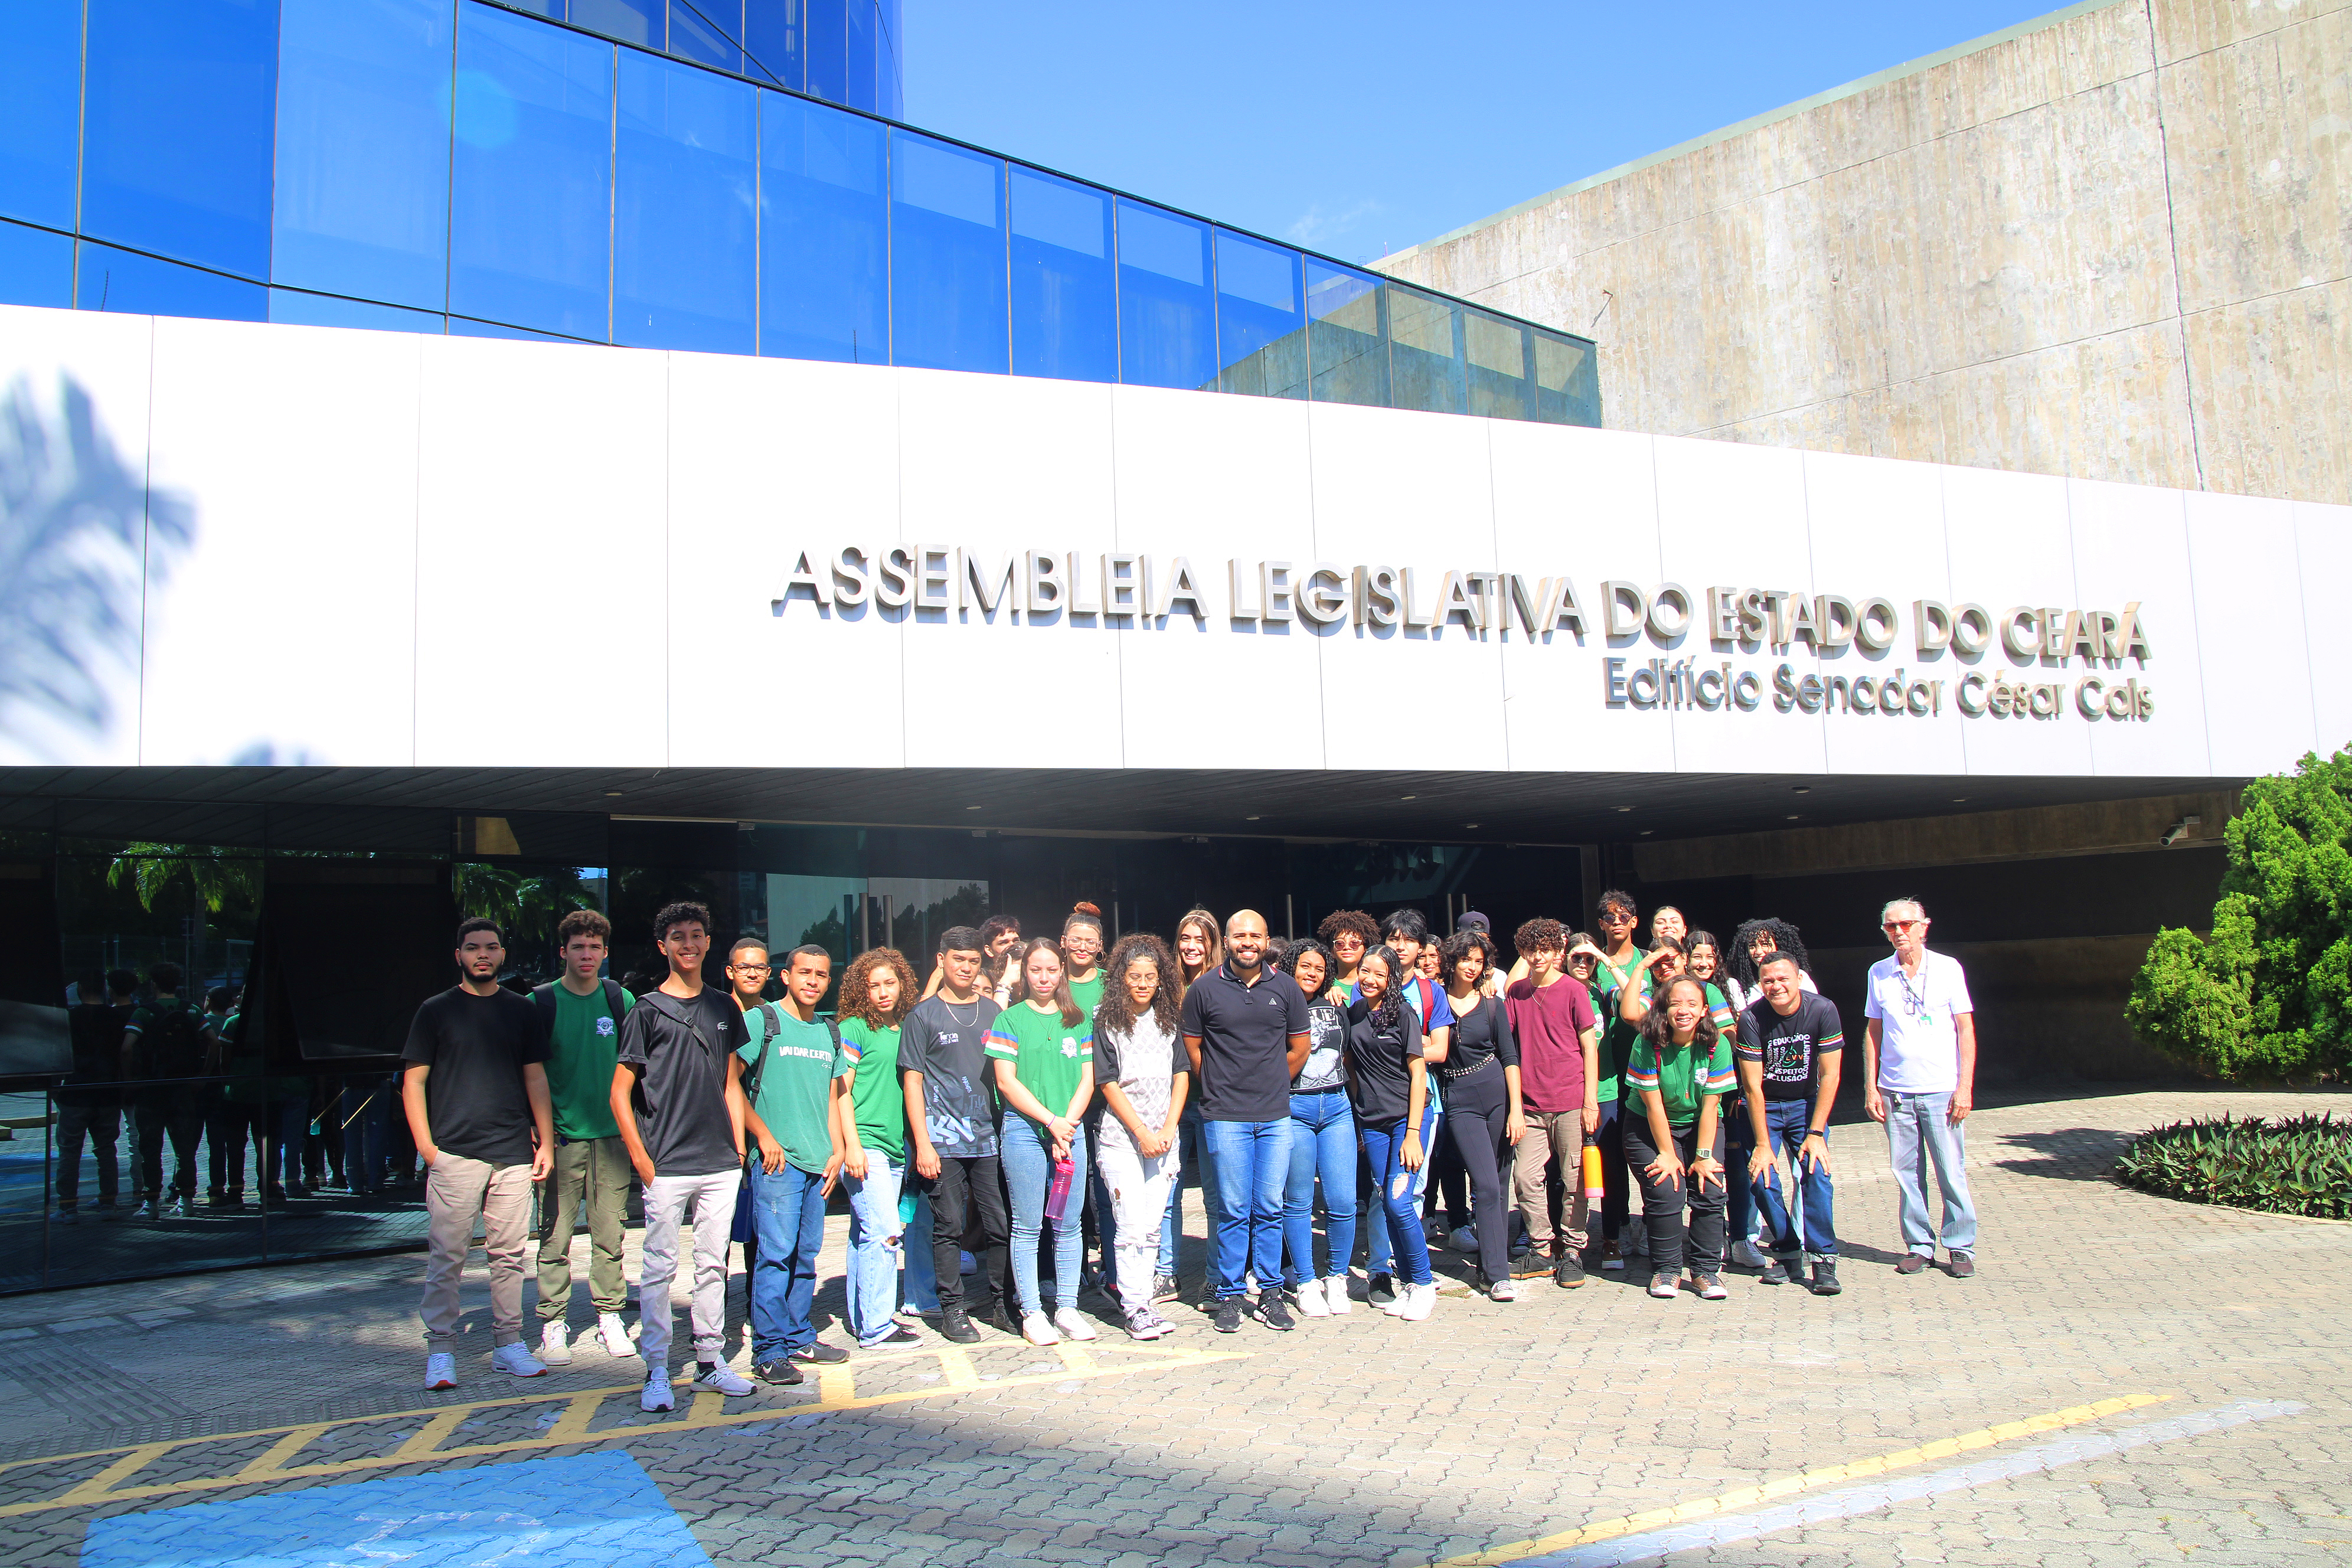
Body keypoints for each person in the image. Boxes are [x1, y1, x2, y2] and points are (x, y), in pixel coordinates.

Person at [612, 901, 756, 1410]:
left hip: (720, 1160)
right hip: (666, 1162)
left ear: (707, 943)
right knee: (658, 1268)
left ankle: (711, 1363)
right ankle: (656, 1369)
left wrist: (738, 1146)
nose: (688, 944)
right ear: (663, 946)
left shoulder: (724, 1006)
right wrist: (641, 1159)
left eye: (697, 935)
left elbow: (732, 1082)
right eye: (678, 937)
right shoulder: (646, 1010)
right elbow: (620, 1092)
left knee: (712, 1265)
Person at [401, 919, 556, 1390]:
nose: (482, 955)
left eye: (490, 948)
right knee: (447, 1256)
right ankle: (441, 1349)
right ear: (459, 956)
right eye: (472, 948)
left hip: (511, 1153)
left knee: (509, 1256)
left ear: (503, 954)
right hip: (455, 1154)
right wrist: (429, 1151)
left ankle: (509, 1344)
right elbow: (414, 1082)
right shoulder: (436, 1011)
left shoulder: (521, 1011)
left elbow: (536, 1078)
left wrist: (546, 1141)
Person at [1180, 910, 1309, 1334]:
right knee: (1234, 1209)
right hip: (1225, 1116)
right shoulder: (1204, 989)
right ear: (1228, 941)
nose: (1247, 942)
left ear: (1266, 939)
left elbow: (1299, 1048)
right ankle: (1231, 1294)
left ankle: (1271, 1292)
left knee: (1270, 1207)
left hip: (1274, 1115)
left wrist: (1271, 1083)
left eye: (1255, 935)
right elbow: (1193, 1048)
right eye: (1240, 935)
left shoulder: (1286, 988)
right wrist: (1220, 1085)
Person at [737, 942, 851, 1378]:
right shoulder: (761, 1021)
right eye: (805, 973)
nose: (813, 982)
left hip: (818, 1164)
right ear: (785, 976)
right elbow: (730, 1083)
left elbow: (832, 1095)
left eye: (821, 975)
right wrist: (762, 1136)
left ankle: (799, 1336)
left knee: (806, 1255)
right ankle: (768, 1350)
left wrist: (838, 1151)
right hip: (776, 1164)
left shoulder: (828, 1032)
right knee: (775, 1255)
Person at [530, 909, 638, 1367]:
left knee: (610, 1234)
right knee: (554, 1236)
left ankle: (609, 1315)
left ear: (606, 952)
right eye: (578, 947)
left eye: (595, 947)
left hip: (612, 1138)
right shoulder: (541, 1002)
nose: (587, 954)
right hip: (561, 1140)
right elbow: (529, 1073)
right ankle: (552, 1322)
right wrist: (540, 1137)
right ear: (563, 952)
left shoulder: (621, 1000)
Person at [900, 926, 1012, 1344]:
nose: (966, 968)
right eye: (958, 960)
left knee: (1000, 1225)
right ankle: (953, 1310)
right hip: (942, 1142)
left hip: (988, 1140)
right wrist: (923, 1143)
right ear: (941, 961)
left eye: (972, 961)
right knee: (947, 1227)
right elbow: (912, 1082)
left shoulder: (993, 1013)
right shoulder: (923, 1015)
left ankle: (1003, 1304)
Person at [989, 938, 1098, 1345]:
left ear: (1062, 972)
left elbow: (1088, 1079)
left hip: (1070, 1132)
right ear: (1025, 973)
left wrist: (1067, 1124)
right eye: (1036, 969)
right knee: (1028, 1224)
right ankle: (1032, 1311)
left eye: (1052, 969)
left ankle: (1067, 1307)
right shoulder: (1010, 1020)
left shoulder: (1079, 1020)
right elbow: (1006, 1081)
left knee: (1069, 1225)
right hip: (1025, 1131)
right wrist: (1050, 1121)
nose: (1045, 977)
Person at [1864, 898, 1979, 1278]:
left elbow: (1965, 1030)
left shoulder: (1948, 969)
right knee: (1906, 1173)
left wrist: (1965, 1088)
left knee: (1950, 1171)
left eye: (1906, 925)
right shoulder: (1879, 973)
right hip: (1896, 1089)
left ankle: (1960, 1247)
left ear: (1924, 926)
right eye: (1891, 926)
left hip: (1942, 1089)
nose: (1899, 932)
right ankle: (1919, 1245)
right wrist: (1871, 1085)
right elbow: (1873, 1032)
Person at [1093, 933, 1187, 1340]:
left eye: (1151, 976)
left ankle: (1145, 1303)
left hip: (1164, 1140)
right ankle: (1133, 1308)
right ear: (1121, 979)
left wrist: (1167, 1128)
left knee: (1151, 1227)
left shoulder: (1169, 1020)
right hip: (1121, 1138)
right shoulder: (1107, 1020)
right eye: (1135, 976)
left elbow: (1181, 1074)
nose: (1144, 983)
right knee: (1130, 1226)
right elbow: (1107, 1081)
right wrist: (1141, 1132)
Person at [1622, 974, 1737, 1301]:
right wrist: (1667, 1153)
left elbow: (1712, 1105)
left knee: (1710, 1187)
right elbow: (1653, 1104)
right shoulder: (1647, 1042)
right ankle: (1667, 1270)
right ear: (1664, 1009)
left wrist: (1703, 1157)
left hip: (1701, 1122)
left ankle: (1705, 1271)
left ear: (1704, 1010)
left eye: (1692, 1004)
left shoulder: (1717, 1044)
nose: (1683, 1010)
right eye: (1675, 1004)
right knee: (1666, 1188)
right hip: (1649, 1124)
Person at [1736, 953, 1844, 1295]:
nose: (1776, 986)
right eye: (1768, 981)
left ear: (1798, 979)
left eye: (1783, 979)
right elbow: (1753, 1087)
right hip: (1765, 1106)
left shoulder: (1823, 1010)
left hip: (1805, 1105)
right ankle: (1787, 1250)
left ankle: (1824, 1257)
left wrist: (1816, 1133)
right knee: (1762, 1179)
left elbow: (1830, 1075)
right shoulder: (1751, 1018)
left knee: (1817, 1173)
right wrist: (1764, 1146)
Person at [834, 946, 922, 1351]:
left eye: (890, 983)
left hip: (894, 1147)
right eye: (874, 986)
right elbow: (841, 1092)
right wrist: (851, 1146)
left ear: (903, 983)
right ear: (860, 990)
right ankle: (877, 1328)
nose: (884, 992)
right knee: (885, 1232)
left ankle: (865, 1319)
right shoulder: (854, 1028)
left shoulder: (904, 1025)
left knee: (864, 1234)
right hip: (866, 1146)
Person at [1504, 919, 1599, 1290]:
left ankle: (1574, 1250)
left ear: (1559, 952)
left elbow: (1590, 1046)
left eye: (1545, 949)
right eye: (1531, 949)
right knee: (1526, 1178)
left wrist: (1590, 1100)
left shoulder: (1574, 990)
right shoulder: (1517, 993)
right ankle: (1542, 1248)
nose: (1538, 956)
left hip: (1572, 1099)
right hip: (1530, 1103)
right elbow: (1507, 1040)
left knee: (1575, 1179)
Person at [1345, 946, 1437, 1321]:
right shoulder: (1351, 1015)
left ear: (1391, 980)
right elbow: (1351, 1070)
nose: (1370, 980)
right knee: (1385, 1199)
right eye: (1366, 972)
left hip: (1408, 1120)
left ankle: (1424, 1283)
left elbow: (1418, 1074)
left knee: (1400, 1201)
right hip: (1374, 1123)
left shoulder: (1403, 1014)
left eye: (1380, 975)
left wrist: (1413, 1132)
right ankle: (1409, 1285)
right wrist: (1359, 1118)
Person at [1366, 909, 1453, 1302]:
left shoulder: (1429, 993)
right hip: (1375, 1111)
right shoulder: (1361, 992)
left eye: (1409, 939)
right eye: (1393, 938)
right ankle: (1382, 1270)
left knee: (1407, 1194)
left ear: (1421, 947)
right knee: (1381, 1194)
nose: (1400, 946)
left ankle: (1416, 1275)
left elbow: (1439, 1050)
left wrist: (1405, 1049)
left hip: (1418, 1108)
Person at [1436, 929, 1523, 1299]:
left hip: (1497, 1095)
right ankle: (1498, 1272)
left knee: (1499, 1184)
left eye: (1478, 961)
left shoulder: (1492, 1004)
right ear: (1452, 961)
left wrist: (1516, 1109)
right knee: (1485, 1183)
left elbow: (1510, 1057)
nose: (1472, 967)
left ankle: (1493, 1268)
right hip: (1459, 1098)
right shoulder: (1434, 1000)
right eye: (1465, 959)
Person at [1276, 939, 1353, 1318]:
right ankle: (1306, 1281)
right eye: (1305, 965)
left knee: (1341, 1201)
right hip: (1295, 1108)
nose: (1312, 973)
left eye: (1320, 968)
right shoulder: (1278, 1007)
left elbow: (1353, 1058)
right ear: (1291, 967)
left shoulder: (1338, 1005)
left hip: (1338, 1106)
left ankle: (1337, 1278)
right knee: (1299, 1201)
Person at [1575, 892, 1645, 1270]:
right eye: (1608, 916)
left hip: (1641, 1074)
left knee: (1643, 1153)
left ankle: (1649, 1224)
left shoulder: (1645, 962)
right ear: (1600, 923)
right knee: (1608, 1158)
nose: (1616, 921)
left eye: (1624, 915)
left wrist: (1606, 960)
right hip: (1603, 1077)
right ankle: (1613, 1232)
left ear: (1635, 921)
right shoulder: (1585, 962)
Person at [1161, 907, 1224, 1304]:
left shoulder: (1224, 984)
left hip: (1213, 1102)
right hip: (1169, 1103)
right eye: (1185, 938)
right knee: (1167, 1193)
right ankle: (1166, 1273)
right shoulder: (1166, 987)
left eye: (1200, 939)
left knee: (1216, 1197)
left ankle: (1217, 1276)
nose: (1191, 946)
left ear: (1212, 945)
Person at [120, 962, 211, 1221]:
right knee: (185, 1148)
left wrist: (129, 1081)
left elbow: (127, 1048)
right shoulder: (192, 1010)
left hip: (152, 1090)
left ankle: (151, 1204)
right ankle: (187, 1200)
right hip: (183, 1088)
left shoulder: (144, 1012)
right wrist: (202, 1077)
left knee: (151, 1148)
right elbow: (213, 1042)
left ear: (155, 985)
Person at [55, 969, 134, 1223]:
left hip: (76, 1092)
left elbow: (58, 1056)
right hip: (108, 1092)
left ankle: (68, 1207)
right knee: (106, 1149)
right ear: (104, 989)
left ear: (79, 990)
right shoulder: (117, 1018)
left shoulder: (68, 1018)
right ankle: (108, 1203)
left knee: (70, 1151)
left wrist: (58, 1089)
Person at [1723, 919, 1819, 1013]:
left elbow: (1814, 1010)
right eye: (1752, 946)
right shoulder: (1737, 984)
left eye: (1765, 944)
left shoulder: (1799, 976)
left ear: (1778, 945)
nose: (1758, 952)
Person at [1317, 910, 1377, 1002]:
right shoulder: (1323, 986)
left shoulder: (1375, 983)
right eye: (1340, 944)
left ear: (1365, 948)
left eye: (1354, 943)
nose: (1347, 947)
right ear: (1332, 950)